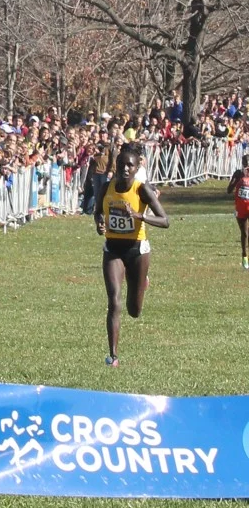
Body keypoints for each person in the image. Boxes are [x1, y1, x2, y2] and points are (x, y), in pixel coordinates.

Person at [94, 146, 168, 367]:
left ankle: (140, 282)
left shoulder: (141, 190)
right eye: (121, 165)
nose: (125, 169)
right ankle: (113, 356)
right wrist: (98, 223)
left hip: (137, 249)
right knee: (114, 301)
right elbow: (97, 211)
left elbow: (165, 220)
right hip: (113, 249)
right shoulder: (107, 188)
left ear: (137, 168)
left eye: (130, 165)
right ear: (115, 166)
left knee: (133, 310)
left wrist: (138, 215)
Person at [227, 154, 249, 269]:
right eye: (246, 163)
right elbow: (229, 190)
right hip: (241, 207)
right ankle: (244, 256)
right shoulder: (238, 174)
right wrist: (238, 179)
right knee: (245, 233)